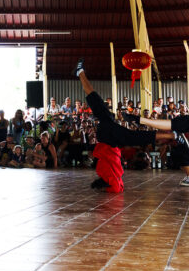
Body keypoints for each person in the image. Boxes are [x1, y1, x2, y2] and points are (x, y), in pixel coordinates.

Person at [74, 60, 173, 192]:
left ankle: (80, 73)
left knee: (136, 136)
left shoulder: (111, 179)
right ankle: (80, 73)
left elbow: (115, 187)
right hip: (110, 138)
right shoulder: (113, 176)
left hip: (108, 136)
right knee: (136, 135)